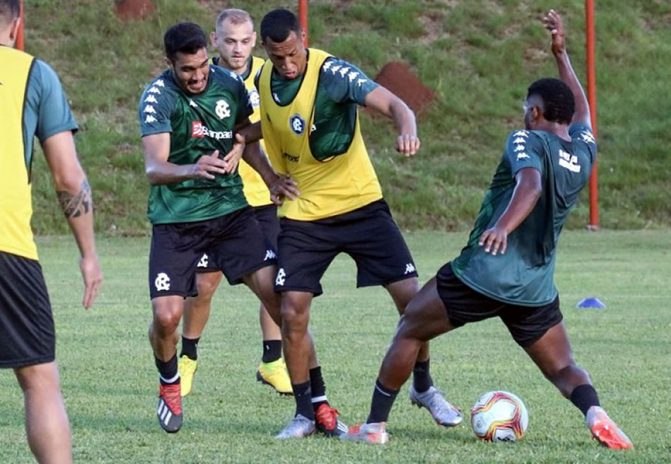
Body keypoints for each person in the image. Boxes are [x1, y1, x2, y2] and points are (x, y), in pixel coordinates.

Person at [344, 10, 634, 450]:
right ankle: (596, 413)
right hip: (535, 288)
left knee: (410, 328)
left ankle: (373, 429)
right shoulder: (585, 152)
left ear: (534, 112)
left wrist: (501, 226)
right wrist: (562, 56)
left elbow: (530, 184)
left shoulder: (525, 139)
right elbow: (584, 113)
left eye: (525, 109)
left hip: (482, 273)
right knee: (563, 368)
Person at [257, 8, 462, 439]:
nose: (288, 64)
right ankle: (304, 412)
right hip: (304, 213)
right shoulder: (262, 83)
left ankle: (423, 387)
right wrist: (270, 176)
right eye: (278, 58)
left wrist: (407, 128)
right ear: (268, 53)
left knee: (414, 302)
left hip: (361, 204)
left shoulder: (332, 73)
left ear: (303, 38)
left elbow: (394, 104)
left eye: (293, 53)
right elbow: (244, 134)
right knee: (291, 311)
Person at [138, 21, 299, 433]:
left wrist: (267, 176)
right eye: (186, 70)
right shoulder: (158, 96)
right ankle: (170, 380)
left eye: (201, 68)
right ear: (170, 63)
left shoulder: (228, 84)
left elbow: (250, 136)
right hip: (176, 221)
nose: (196, 77)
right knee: (166, 316)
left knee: (282, 302)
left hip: (231, 214)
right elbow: (154, 167)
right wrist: (195, 167)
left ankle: (311, 401)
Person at [0, 0, 103, 462]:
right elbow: (67, 176)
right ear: (16, 23)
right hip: (7, 248)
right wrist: (88, 253)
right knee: (39, 378)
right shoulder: (33, 74)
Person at [178, 8, 291, 398]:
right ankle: (187, 360)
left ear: (255, 41)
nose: (237, 49)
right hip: (216, 199)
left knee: (276, 283)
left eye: (244, 41)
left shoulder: (268, 76)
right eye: (229, 41)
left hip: (262, 199)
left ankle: (273, 362)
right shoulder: (200, 78)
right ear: (215, 41)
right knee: (203, 286)